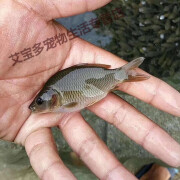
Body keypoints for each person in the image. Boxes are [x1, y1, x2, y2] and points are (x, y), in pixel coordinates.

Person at [0, 0, 180, 179]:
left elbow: (76, 101)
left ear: (53, 98)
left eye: (39, 101)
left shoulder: (59, 97)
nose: (35, 105)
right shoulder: (54, 97)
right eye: (39, 102)